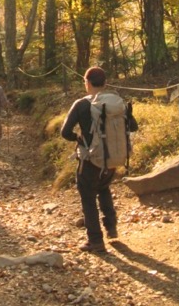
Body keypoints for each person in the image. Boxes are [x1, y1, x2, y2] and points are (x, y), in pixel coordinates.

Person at [60, 66, 118, 254]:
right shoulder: (116, 101)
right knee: (103, 187)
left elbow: (65, 132)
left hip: (91, 157)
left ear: (87, 82)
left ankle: (95, 241)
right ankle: (111, 228)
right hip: (113, 156)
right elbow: (131, 126)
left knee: (88, 195)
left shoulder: (82, 104)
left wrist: (77, 138)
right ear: (105, 83)